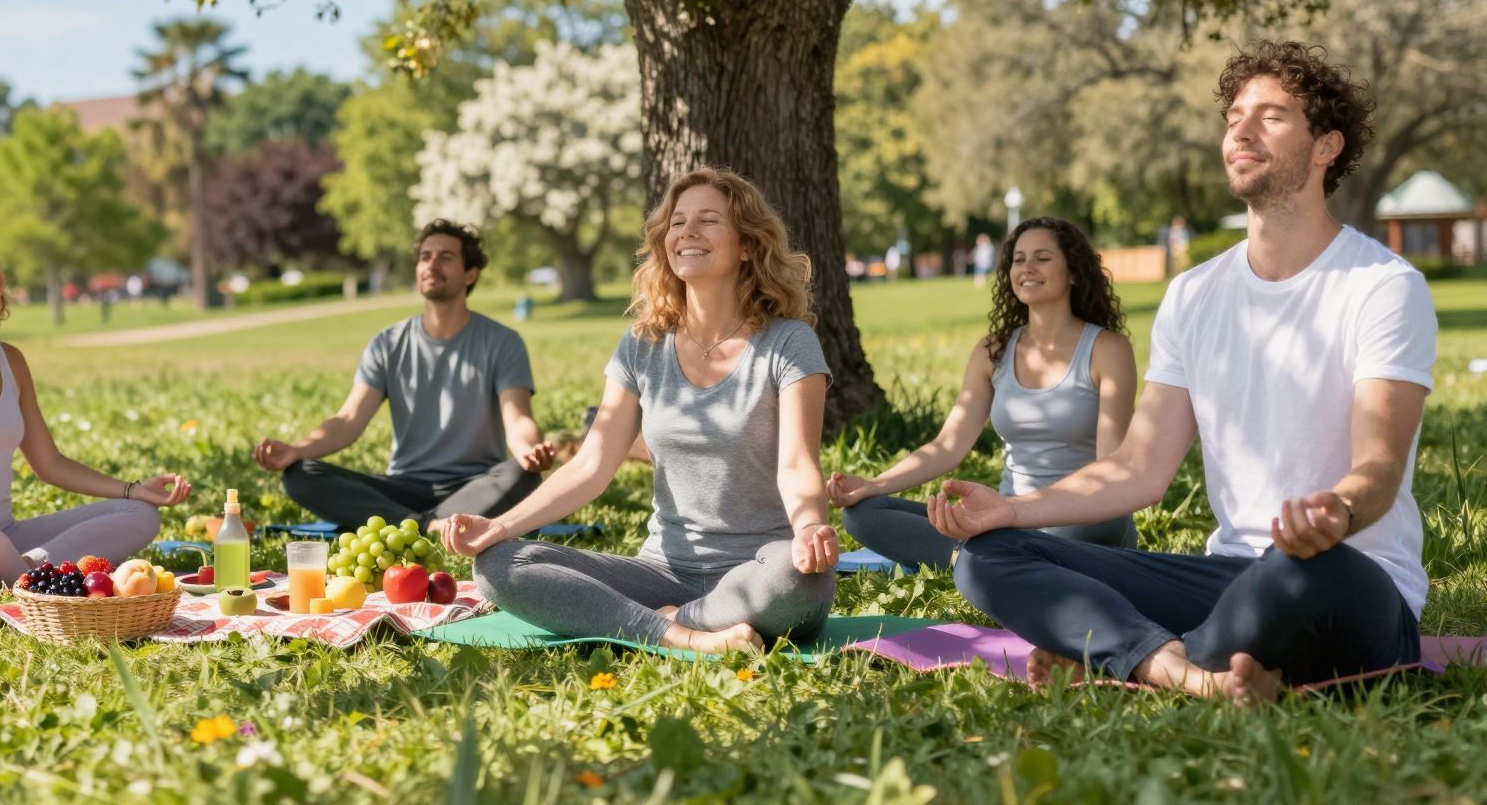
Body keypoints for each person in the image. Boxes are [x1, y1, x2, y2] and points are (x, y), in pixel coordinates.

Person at [934, 41, 1436, 703]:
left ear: (1327, 147)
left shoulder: (1382, 286)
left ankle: (1113, 648)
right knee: (989, 554)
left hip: (1343, 578)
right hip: (1226, 578)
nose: (1242, 131)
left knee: (1296, 573)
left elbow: (1379, 468)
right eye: (1233, 117)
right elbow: (1139, 468)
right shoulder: (1194, 294)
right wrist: (1013, 510)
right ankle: (1183, 670)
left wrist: (1336, 511)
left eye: (1271, 116)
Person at [439, 168, 839, 655]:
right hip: (661, 572)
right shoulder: (642, 346)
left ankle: (666, 623)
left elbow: (798, 463)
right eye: (677, 222)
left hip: (756, 567)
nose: (687, 232)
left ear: (747, 245)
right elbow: (591, 465)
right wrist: (500, 527)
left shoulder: (789, 342)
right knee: (498, 565)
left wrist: (809, 527)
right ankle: (679, 634)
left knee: (800, 580)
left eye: (708, 220)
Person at [0, 225, 191, 587]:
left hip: (0, 534)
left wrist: (132, 489)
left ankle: (29, 570)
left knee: (141, 514)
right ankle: (35, 575)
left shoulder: (10, 360)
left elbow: (50, 463)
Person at [831, 217, 1137, 571]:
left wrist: (1024, 512)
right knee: (863, 514)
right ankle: (1011, 561)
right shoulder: (993, 351)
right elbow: (948, 446)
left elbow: (1109, 471)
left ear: (1074, 272)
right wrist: (874, 485)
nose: (1027, 268)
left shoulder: (1107, 350)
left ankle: (993, 560)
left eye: (1043, 258)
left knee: (1102, 516)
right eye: (1018, 259)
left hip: (1078, 518)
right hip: (1005, 522)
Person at [253, 220, 551, 528]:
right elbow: (348, 420)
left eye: (446, 257)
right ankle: (428, 527)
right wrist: (297, 450)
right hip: (402, 489)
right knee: (300, 475)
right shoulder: (387, 343)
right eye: (425, 257)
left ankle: (408, 527)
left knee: (523, 475)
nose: (432, 265)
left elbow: (518, 418)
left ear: (470, 274)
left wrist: (528, 451)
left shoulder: (502, 342)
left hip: (475, 487)